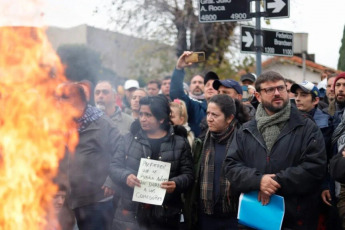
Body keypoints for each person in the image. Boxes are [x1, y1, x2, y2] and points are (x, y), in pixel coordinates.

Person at [225, 71, 327, 229]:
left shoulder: (307, 127)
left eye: (281, 88)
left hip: (295, 219)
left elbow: (315, 168)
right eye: (270, 90)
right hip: (254, 218)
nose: (277, 93)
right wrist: (258, 181)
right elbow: (231, 166)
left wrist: (274, 182)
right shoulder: (245, 130)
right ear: (258, 96)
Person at [110, 96, 194, 230]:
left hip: (165, 216)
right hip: (130, 213)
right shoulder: (128, 139)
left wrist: (176, 183)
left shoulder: (179, 142)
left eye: (148, 115)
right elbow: (114, 166)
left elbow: (189, 174)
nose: (142, 118)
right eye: (141, 114)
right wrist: (126, 176)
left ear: (161, 118)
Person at [57, 82, 123, 230]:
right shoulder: (62, 124)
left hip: (96, 201)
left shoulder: (102, 124)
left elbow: (122, 152)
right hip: (66, 199)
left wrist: (112, 180)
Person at [184, 94, 249, 230]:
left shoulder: (244, 140)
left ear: (229, 118)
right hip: (206, 216)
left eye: (215, 115)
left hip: (235, 217)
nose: (209, 119)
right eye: (208, 113)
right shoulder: (201, 141)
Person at [170, 51, 218, 137]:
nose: (197, 85)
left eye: (200, 82)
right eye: (194, 82)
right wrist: (179, 69)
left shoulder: (225, 108)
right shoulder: (193, 105)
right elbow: (176, 93)